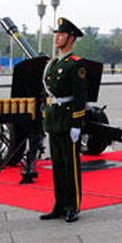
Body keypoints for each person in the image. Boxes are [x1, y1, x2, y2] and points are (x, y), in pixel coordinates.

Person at [39, 18, 87, 223]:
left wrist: (77, 124)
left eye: (61, 34)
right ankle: (59, 205)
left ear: (71, 38)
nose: (57, 37)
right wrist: (45, 119)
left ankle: (72, 206)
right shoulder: (51, 64)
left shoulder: (76, 64)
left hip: (68, 121)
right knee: (57, 165)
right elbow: (46, 95)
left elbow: (80, 97)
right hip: (54, 120)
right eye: (56, 34)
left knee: (71, 165)